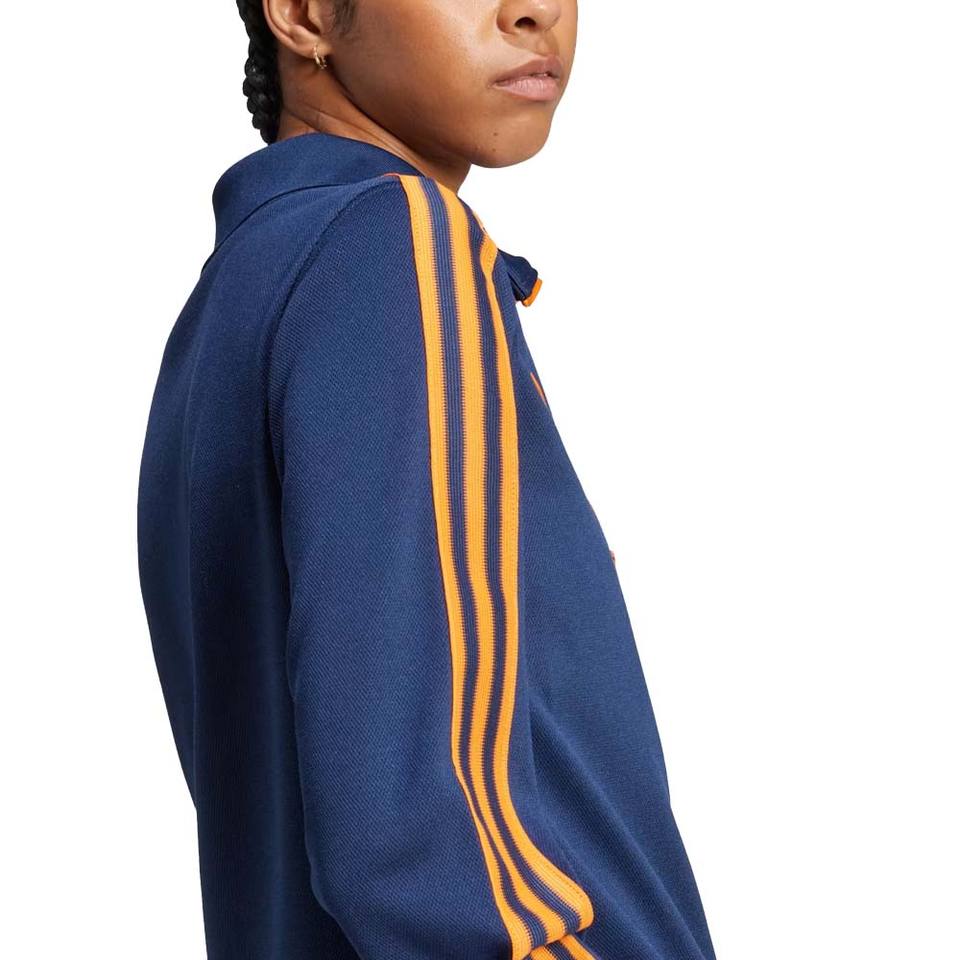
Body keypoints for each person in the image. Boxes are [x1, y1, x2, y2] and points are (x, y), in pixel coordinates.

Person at [136, 1, 718, 958]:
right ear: (304, 14)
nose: (536, 11)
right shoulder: (393, 239)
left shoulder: (247, 287)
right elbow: (421, 847)